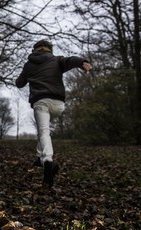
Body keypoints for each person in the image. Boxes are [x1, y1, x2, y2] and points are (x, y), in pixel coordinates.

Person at [15, 39, 92, 188]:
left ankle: (47, 161)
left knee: (43, 132)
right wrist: (83, 63)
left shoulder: (29, 65)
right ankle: (39, 157)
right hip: (58, 104)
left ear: (35, 50)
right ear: (50, 50)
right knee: (43, 131)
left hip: (41, 102)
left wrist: (24, 77)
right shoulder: (57, 60)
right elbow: (71, 60)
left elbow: (19, 83)